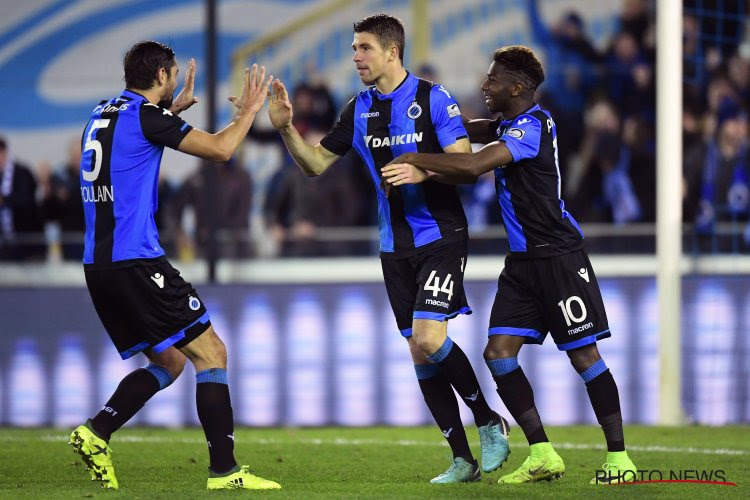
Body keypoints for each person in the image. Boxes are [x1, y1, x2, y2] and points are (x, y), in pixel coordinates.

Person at [267, 14, 509, 483]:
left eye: (363, 48)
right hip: (392, 245)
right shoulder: (357, 109)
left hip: (440, 235)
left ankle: (488, 420)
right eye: (354, 49)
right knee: (419, 352)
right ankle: (462, 459)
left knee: (430, 337)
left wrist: (421, 169)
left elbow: (467, 164)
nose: (355, 57)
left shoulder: (433, 98)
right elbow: (315, 163)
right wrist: (285, 129)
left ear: (391, 51)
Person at [382, 45, 637, 485]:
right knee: (499, 354)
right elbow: (462, 128)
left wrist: (413, 158)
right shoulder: (507, 124)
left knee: (584, 355)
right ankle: (542, 453)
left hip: (558, 256)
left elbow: (475, 163)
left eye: (492, 80)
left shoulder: (533, 126)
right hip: (522, 264)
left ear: (517, 87)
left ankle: (619, 459)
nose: (485, 85)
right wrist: (410, 128)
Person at [69, 40, 280, 491]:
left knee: (169, 360)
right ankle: (225, 472)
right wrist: (248, 111)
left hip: (98, 267)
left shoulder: (101, 113)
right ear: (162, 77)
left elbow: (132, 145)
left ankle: (96, 431)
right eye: (170, 78)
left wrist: (171, 111)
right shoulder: (149, 118)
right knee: (212, 354)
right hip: (138, 261)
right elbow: (222, 150)